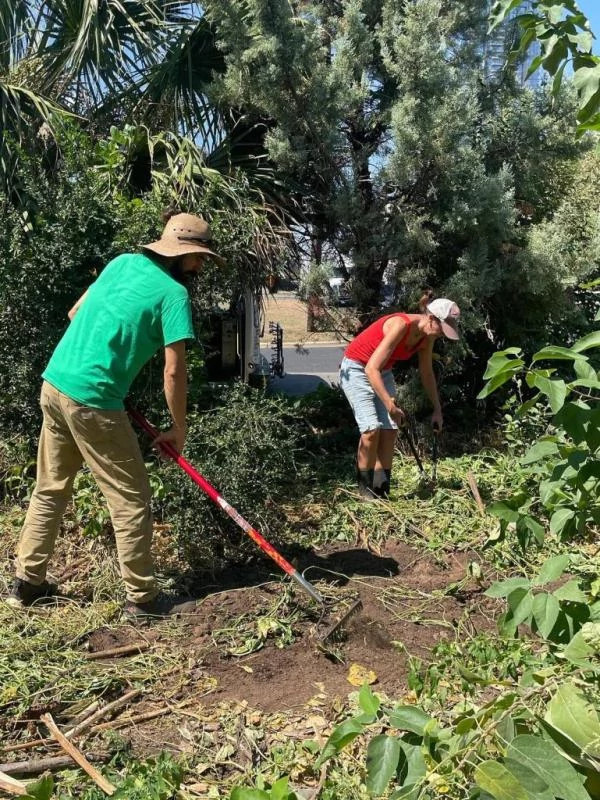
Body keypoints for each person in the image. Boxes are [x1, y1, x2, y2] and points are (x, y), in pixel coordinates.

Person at [6, 212, 224, 617]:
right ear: (182, 255)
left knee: (50, 488)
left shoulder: (121, 263)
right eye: (198, 257)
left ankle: (26, 584)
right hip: (94, 400)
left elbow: (75, 313)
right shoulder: (174, 295)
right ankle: (142, 600)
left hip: (55, 384)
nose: (199, 265)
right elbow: (174, 370)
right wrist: (178, 429)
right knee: (131, 500)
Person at [339, 292, 460, 500]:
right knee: (371, 430)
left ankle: (381, 490)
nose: (442, 335)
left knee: (389, 430)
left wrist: (437, 409)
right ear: (431, 319)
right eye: (442, 329)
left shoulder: (426, 336)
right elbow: (370, 369)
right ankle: (365, 494)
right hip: (358, 368)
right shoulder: (401, 325)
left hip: (381, 371)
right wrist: (390, 405)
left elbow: (427, 372)